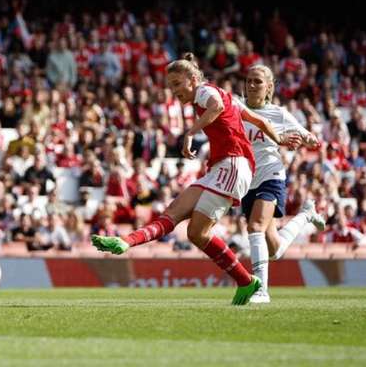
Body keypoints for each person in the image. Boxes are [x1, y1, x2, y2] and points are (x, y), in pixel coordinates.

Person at [91, 54, 296, 305]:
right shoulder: (225, 95)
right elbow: (260, 120)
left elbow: (217, 107)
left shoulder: (204, 92)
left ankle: (248, 282)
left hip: (233, 165)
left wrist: (190, 133)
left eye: (178, 83)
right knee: (177, 216)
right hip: (224, 167)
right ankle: (125, 242)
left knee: (196, 231)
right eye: (171, 85)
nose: (174, 90)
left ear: (194, 78)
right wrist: (280, 139)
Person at [240, 65, 326, 304]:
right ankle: (305, 216)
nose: (251, 85)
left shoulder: (278, 114)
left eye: (258, 81)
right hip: (246, 181)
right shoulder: (237, 108)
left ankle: (261, 291)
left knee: (255, 226)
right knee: (274, 250)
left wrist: (307, 139)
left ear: (269, 87)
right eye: (249, 80)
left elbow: (309, 138)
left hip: (271, 175)